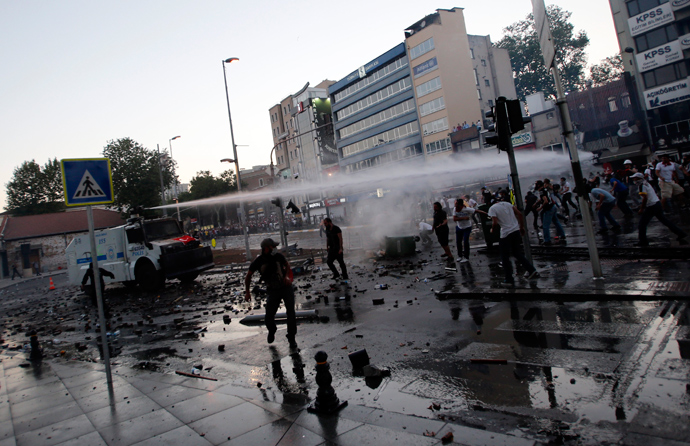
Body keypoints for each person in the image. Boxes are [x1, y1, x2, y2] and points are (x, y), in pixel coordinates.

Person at [244, 238, 297, 348]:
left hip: (285, 287)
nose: (275, 249)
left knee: (291, 313)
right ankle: (272, 330)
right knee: (268, 317)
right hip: (272, 291)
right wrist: (247, 292)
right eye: (273, 247)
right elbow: (248, 276)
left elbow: (287, 265)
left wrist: (287, 276)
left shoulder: (278, 256)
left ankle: (291, 338)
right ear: (266, 248)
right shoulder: (258, 261)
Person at [488, 195, 539, 287]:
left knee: (505, 257)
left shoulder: (492, 208)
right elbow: (519, 214)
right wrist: (521, 227)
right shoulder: (508, 204)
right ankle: (532, 270)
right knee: (517, 253)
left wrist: (492, 229)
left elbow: (494, 222)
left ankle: (508, 278)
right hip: (516, 231)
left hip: (506, 234)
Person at [631, 173, 687, 246]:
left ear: (638, 179)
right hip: (657, 203)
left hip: (651, 206)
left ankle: (643, 241)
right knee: (665, 221)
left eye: (634, 178)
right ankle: (681, 233)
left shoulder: (642, 186)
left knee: (642, 224)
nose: (633, 180)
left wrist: (642, 209)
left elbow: (645, 198)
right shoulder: (646, 183)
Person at [537, 180, 566, 246]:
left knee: (545, 225)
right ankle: (562, 235)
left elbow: (545, 201)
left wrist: (540, 208)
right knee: (556, 222)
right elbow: (544, 199)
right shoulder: (545, 190)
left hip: (548, 209)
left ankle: (547, 240)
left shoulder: (542, 191)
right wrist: (537, 203)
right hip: (553, 207)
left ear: (538, 185)